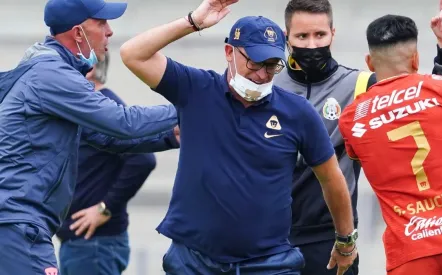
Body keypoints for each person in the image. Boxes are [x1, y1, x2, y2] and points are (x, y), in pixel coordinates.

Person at [120, 0, 358, 274]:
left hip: (269, 263)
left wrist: (345, 239)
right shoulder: (195, 89)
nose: (261, 75)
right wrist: (192, 22)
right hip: (194, 260)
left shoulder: (297, 111)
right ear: (229, 52)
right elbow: (132, 54)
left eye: (272, 66)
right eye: (255, 63)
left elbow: (331, 178)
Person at [273, 0, 442, 274]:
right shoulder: (267, 85)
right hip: (269, 237)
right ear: (286, 36)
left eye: (320, 35)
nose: (312, 45)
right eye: (302, 36)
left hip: (332, 238)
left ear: (332, 34)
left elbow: (424, 102)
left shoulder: (361, 85)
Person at [0, 0, 179, 274]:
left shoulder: (47, 68)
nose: (109, 31)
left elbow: (106, 138)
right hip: (19, 226)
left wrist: (170, 136)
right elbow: (123, 123)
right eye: (101, 23)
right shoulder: (51, 74)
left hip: (17, 225)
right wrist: (192, 103)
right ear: (77, 32)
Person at [338, 14, 442, 275]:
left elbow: (356, 153)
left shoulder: (352, 118)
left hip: (408, 252)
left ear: (369, 63)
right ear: (417, 59)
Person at [56, 52, 180, 275]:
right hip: (81, 244)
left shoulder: (105, 107)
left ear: (89, 67)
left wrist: (105, 208)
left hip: (94, 245)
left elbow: (142, 159)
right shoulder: (86, 110)